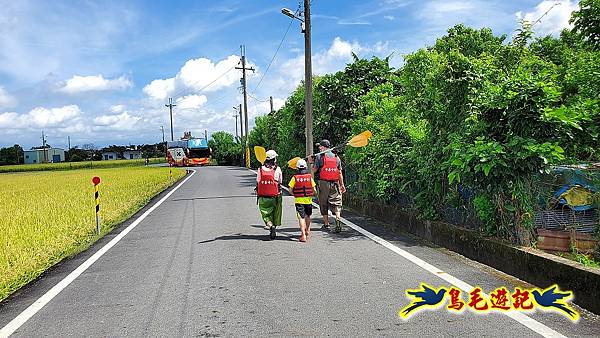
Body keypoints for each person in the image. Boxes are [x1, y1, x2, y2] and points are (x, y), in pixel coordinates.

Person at [311, 139, 346, 233]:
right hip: (335, 183)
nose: (319, 148)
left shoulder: (319, 156)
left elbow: (314, 170)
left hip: (323, 183)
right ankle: (338, 218)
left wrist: (311, 163)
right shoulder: (336, 157)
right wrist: (342, 185)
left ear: (323, 147)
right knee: (337, 202)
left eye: (320, 146)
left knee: (323, 203)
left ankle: (326, 224)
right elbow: (339, 173)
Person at [256, 150, 283, 239]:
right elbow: (280, 181)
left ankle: (270, 225)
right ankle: (274, 225)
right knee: (276, 213)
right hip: (276, 196)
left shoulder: (260, 169)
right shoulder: (277, 169)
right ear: (274, 159)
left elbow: (258, 181)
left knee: (266, 214)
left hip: (263, 197)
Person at [288, 159, 316, 243]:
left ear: (297, 168)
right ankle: (307, 230)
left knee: (301, 217)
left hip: (299, 201)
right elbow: (314, 189)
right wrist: (313, 194)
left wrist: (294, 194)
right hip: (308, 200)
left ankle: (303, 235)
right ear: (306, 167)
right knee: (308, 216)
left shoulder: (294, 178)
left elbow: (290, 189)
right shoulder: (309, 177)